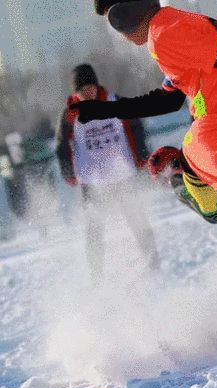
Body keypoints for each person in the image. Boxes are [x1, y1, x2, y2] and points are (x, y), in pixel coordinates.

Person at [72, 0, 217, 356]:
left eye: (115, 20)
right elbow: (166, 100)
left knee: (186, 157)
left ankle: (201, 197)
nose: (118, 32)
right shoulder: (180, 30)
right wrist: (106, 110)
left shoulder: (167, 32)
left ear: (128, 15)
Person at [55, 64, 160, 281]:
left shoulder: (115, 102)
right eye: (82, 90)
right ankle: (97, 275)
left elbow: (136, 126)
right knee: (94, 230)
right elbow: (61, 144)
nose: (88, 92)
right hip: (92, 183)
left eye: (91, 87)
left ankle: (153, 263)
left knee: (137, 220)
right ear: (75, 92)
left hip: (122, 176)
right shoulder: (69, 114)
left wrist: (141, 154)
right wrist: (68, 171)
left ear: (97, 85)